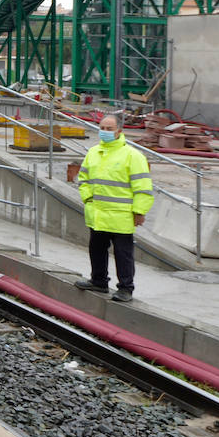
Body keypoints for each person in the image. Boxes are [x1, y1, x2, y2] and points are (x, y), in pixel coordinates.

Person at [74, 114, 154, 303]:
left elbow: (142, 187)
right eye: (102, 128)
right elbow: (83, 179)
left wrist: (139, 211)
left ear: (119, 131)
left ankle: (126, 288)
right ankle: (99, 281)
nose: (105, 132)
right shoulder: (93, 152)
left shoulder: (133, 156)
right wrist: (88, 198)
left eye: (109, 129)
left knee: (123, 254)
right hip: (98, 213)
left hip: (121, 216)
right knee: (96, 249)